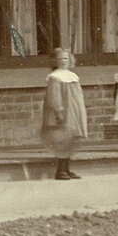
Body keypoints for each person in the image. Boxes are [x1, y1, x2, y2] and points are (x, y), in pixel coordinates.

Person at [39, 47, 89, 180]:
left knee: (70, 140)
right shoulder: (55, 77)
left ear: (70, 60)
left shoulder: (72, 76)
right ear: (55, 61)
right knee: (62, 140)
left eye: (66, 58)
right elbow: (54, 96)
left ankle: (67, 168)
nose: (63, 61)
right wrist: (58, 111)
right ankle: (60, 171)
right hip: (63, 112)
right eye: (60, 59)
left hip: (73, 112)